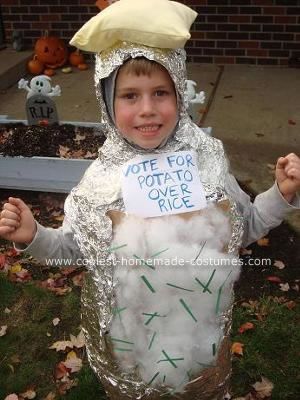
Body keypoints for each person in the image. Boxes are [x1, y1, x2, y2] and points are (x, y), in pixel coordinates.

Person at [1, 3, 300, 400]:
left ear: (178, 93)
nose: (147, 109)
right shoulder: (100, 183)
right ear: (108, 104)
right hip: (129, 348)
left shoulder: (205, 165)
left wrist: (279, 195)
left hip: (200, 342)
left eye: (160, 92)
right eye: (129, 96)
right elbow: (74, 249)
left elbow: (246, 226)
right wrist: (34, 235)